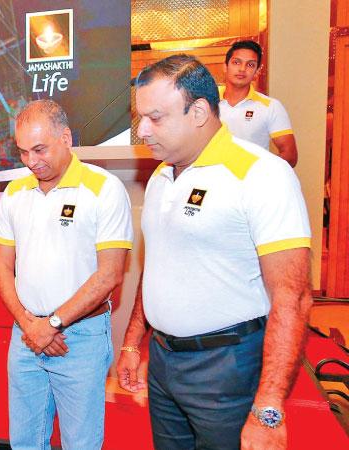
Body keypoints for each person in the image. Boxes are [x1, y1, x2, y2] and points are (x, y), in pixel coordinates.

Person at [118, 55, 312, 450]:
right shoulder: (159, 176)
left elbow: (293, 297)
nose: (142, 130)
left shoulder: (262, 175)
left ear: (200, 112)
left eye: (155, 117)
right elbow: (156, 267)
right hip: (163, 362)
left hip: (227, 369)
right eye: (141, 117)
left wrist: (268, 408)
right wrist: (132, 341)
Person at [0, 99, 133, 449]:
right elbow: (1, 267)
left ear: (66, 138)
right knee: (24, 442)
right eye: (23, 152)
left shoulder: (104, 189)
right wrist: (31, 325)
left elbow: (110, 275)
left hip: (79, 339)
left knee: (81, 443)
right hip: (24, 335)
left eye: (40, 149)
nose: (31, 161)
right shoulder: (14, 192)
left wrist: (51, 325)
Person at [219, 40, 298, 167]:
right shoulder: (206, 101)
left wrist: (253, 168)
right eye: (236, 62)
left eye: (250, 65)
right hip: (212, 182)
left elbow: (290, 156)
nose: (242, 69)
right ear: (225, 66)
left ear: (256, 72)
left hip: (251, 183)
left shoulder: (271, 107)